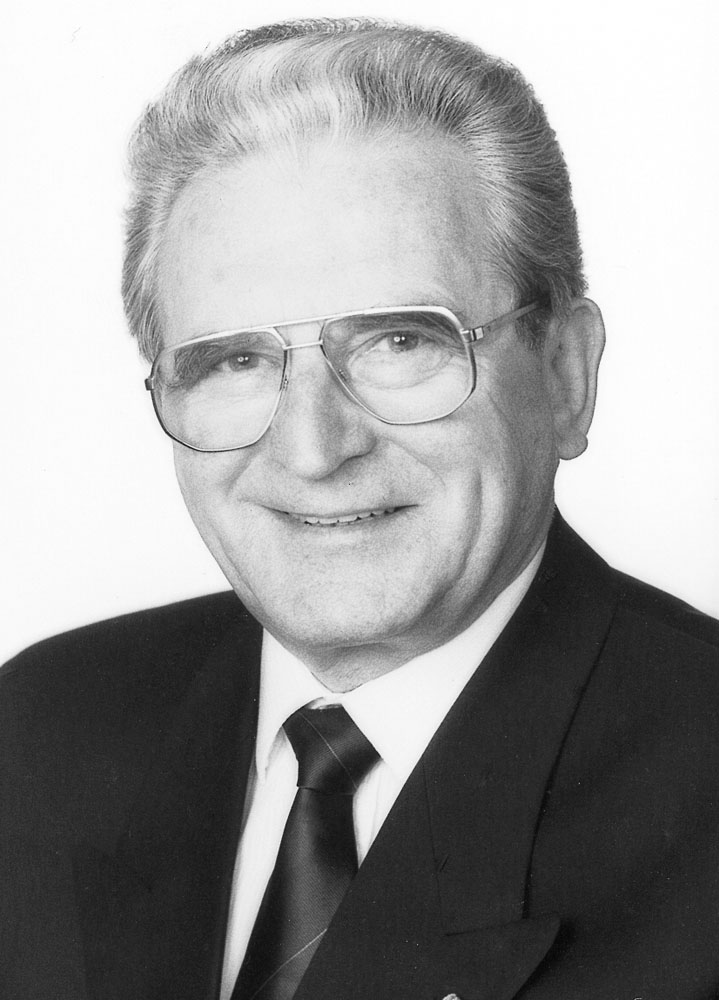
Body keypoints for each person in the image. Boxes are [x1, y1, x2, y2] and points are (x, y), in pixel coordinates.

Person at [1, 16, 718, 1000]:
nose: (312, 448)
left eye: (398, 342)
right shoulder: (40, 729)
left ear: (563, 375)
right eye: (234, 360)